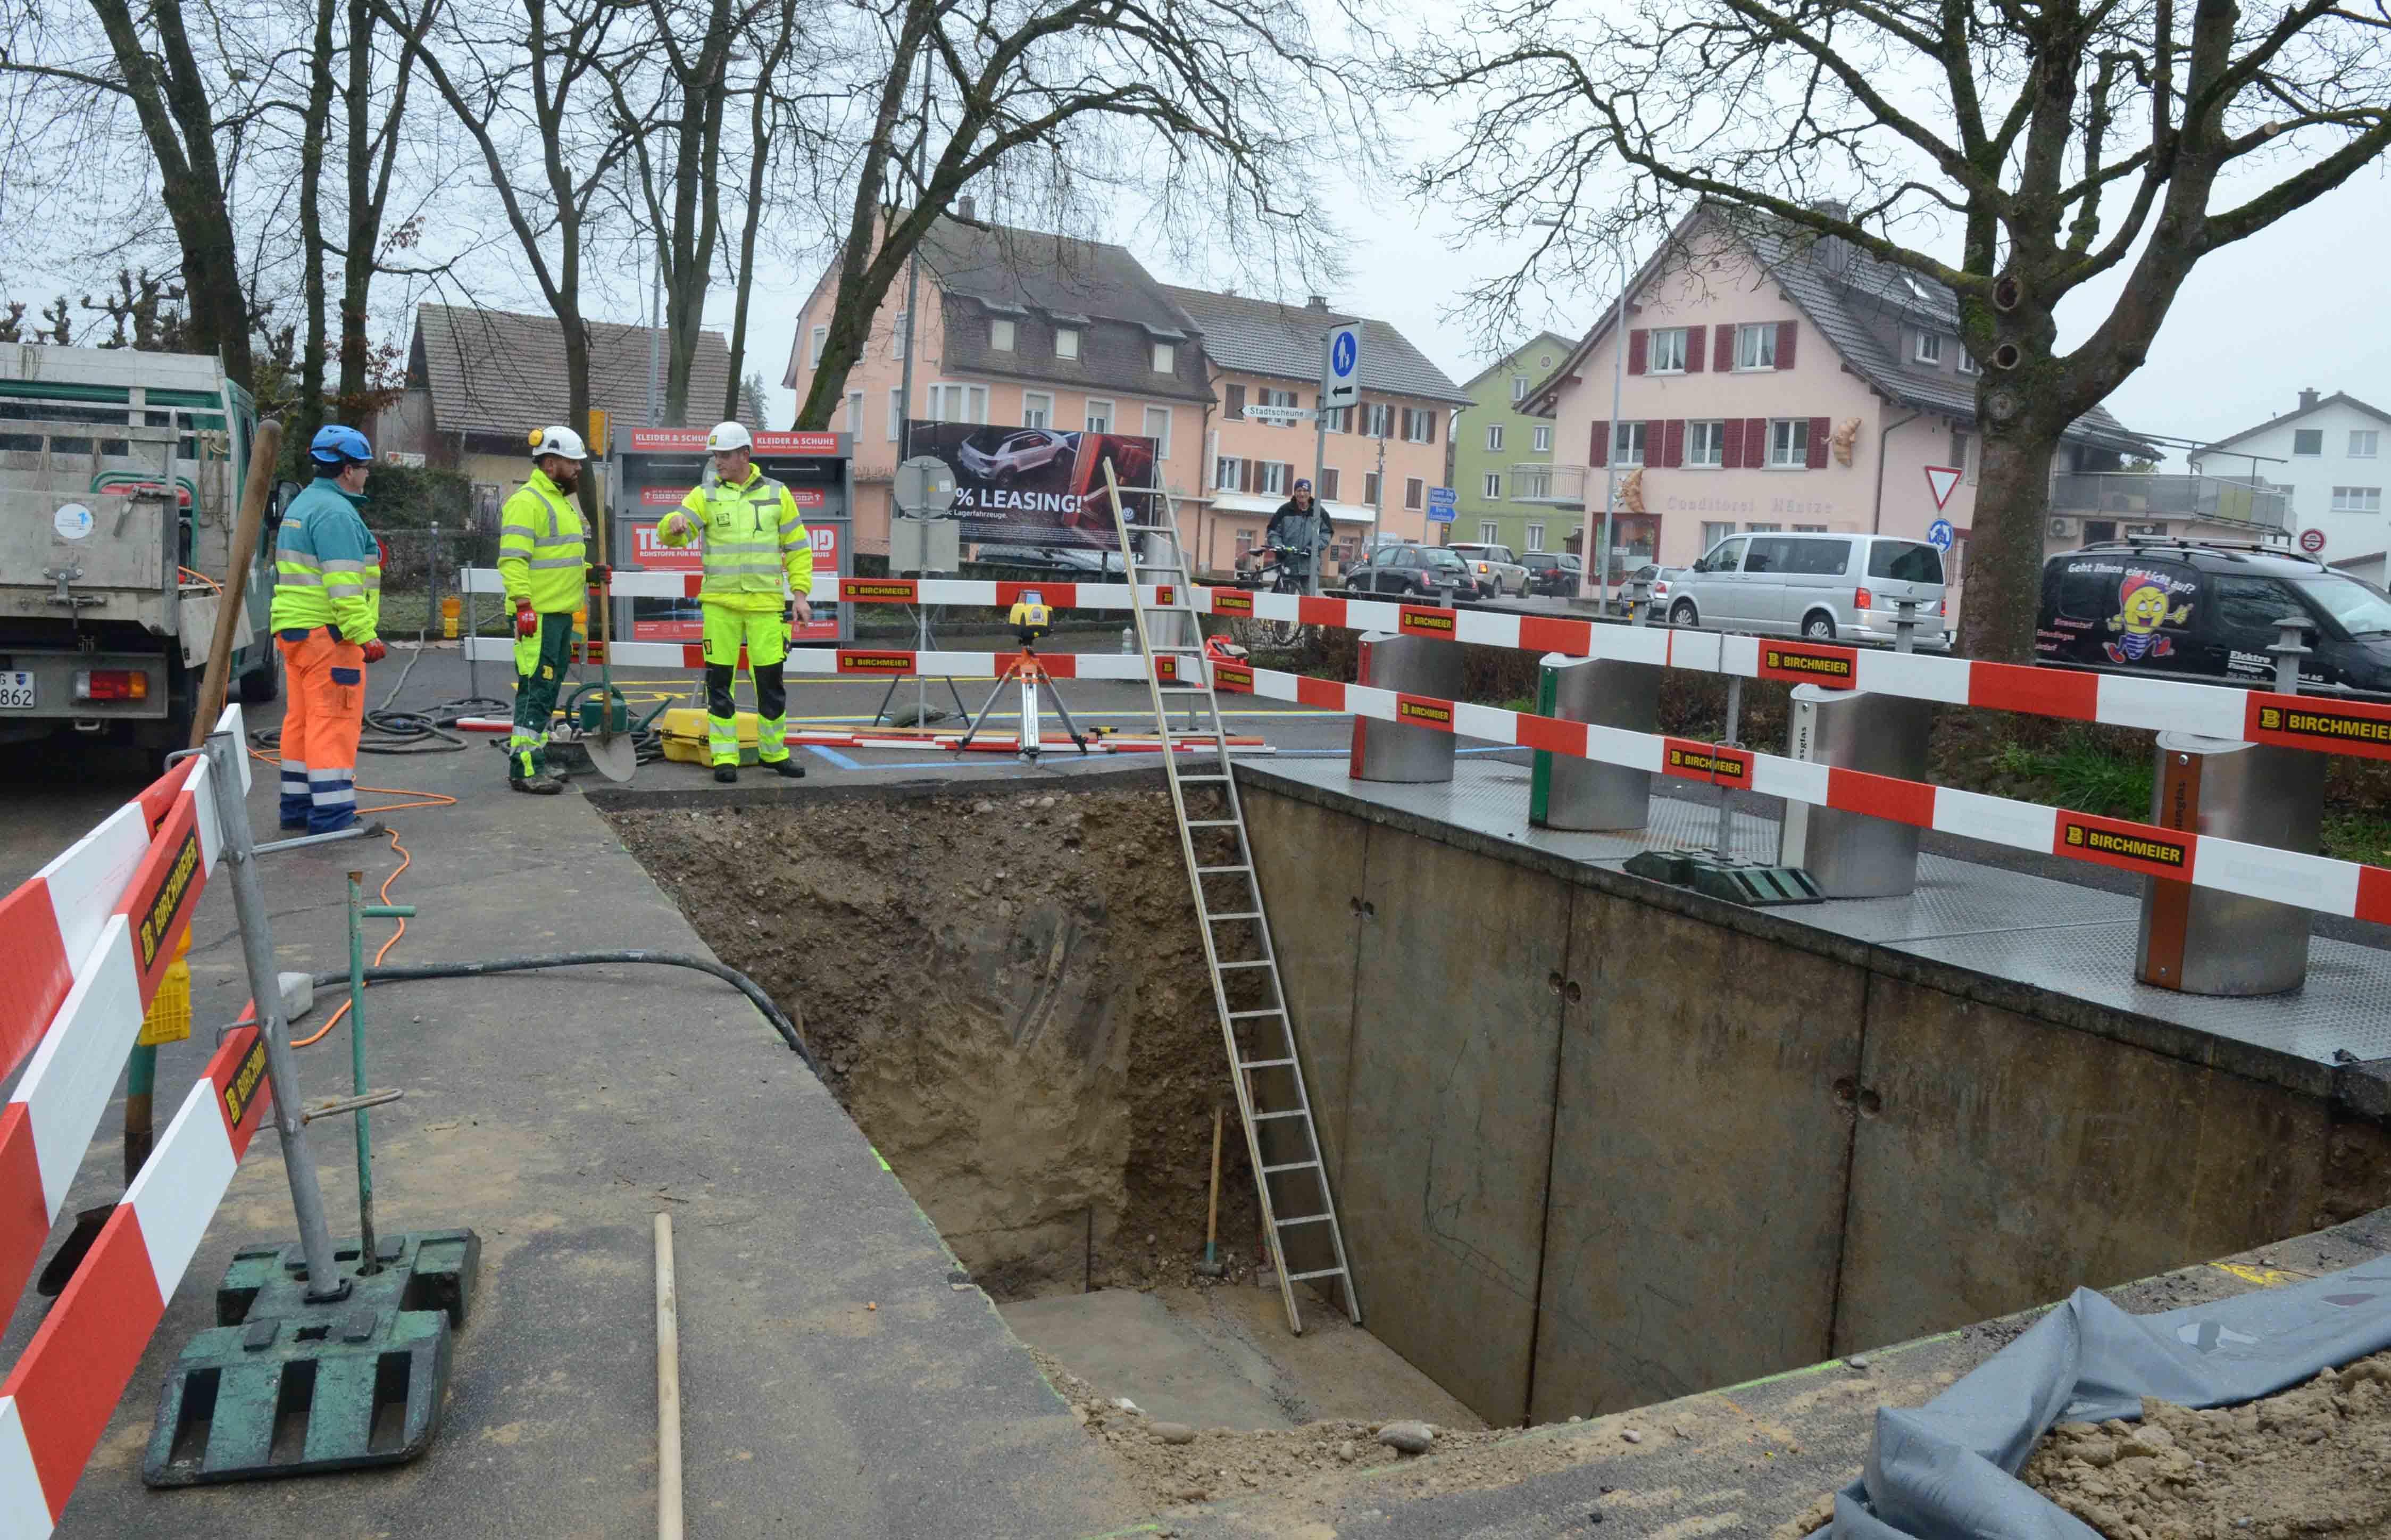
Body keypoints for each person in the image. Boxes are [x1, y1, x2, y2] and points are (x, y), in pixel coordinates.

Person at [655, 421, 813, 783]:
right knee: (720, 681)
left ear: (745, 454)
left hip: (766, 607)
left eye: (724, 455)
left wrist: (800, 595)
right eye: (715, 456)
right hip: (720, 606)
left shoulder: (778, 494)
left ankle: (774, 753)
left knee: (770, 682)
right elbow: (673, 534)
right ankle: (724, 757)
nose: (718, 462)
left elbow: (798, 548)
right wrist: (673, 523)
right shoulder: (704, 494)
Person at [269, 424, 385, 834]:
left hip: (297, 630)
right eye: (365, 467)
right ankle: (333, 817)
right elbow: (344, 587)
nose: (367, 475)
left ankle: (298, 808)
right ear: (348, 470)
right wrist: (364, 634)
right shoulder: (336, 514)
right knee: (334, 721)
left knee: (302, 721)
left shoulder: (302, 504)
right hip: (330, 635)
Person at [497, 424, 596, 794]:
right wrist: (523, 605)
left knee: (547, 688)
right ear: (552, 463)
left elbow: (555, 559)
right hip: (537, 616)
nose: (579, 470)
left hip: (556, 614)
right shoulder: (527, 502)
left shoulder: (557, 501)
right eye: (574, 463)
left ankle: (535, 758)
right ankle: (524, 767)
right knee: (535, 690)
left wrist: (589, 573)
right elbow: (513, 560)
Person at [1264, 479, 1329, 589]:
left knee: (1309, 602)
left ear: (1310, 493)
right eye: (1299, 490)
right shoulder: (1284, 511)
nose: (1302, 494)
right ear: (1295, 492)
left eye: (1305, 490)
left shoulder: (1319, 512)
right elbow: (1273, 532)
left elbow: (1326, 534)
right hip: (1289, 564)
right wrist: (1279, 546)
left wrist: (1313, 547)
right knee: (1286, 602)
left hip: (1310, 566)